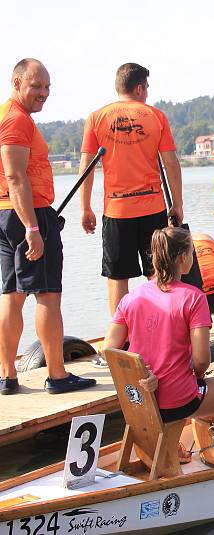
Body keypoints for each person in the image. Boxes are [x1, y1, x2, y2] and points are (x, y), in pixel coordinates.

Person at [105, 227, 214, 463]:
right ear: (182, 258)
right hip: (178, 400)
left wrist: (143, 373)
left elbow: (109, 350)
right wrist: (196, 376)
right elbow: (201, 360)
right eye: (191, 252)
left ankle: (176, 445)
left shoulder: (131, 298)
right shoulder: (193, 297)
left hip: (141, 399)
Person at [0, 59, 96, 395]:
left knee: (12, 295)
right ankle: (57, 375)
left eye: (47, 87)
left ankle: (8, 376)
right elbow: (15, 175)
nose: (43, 93)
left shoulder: (7, 115)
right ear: (16, 82)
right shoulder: (15, 119)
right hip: (27, 215)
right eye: (36, 86)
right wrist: (32, 227)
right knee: (47, 295)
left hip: (6, 215)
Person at [79, 63, 183, 316]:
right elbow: (170, 162)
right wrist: (177, 204)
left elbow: (87, 166)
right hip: (153, 207)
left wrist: (85, 208)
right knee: (158, 271)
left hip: (117, 210)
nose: (147, 93)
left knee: (117, 278)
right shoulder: (156, 116)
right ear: (138, 88)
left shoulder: (96, 118)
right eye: (146, 87)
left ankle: (119, 339)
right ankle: (162, 329)